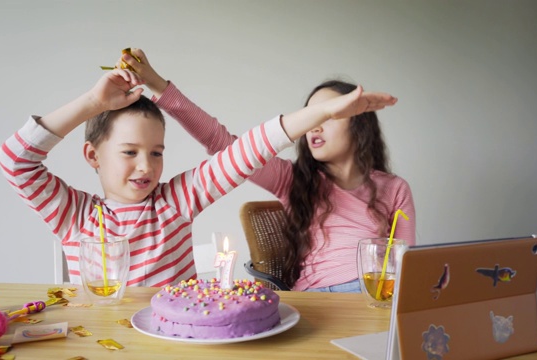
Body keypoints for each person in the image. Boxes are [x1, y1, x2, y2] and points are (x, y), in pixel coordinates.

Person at [0, 64, 397, 288]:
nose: (146, 166)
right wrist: (92, 103)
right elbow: (15, 160)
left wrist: (323, 113)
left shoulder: (176, 201)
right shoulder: (74, 216)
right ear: (92, 156)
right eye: (129, 153)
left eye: (157, 153)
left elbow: (247, 150)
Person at [119, 48, 415, 292]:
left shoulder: (394, 188)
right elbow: (219, 140)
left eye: (332, 113)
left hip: (377, 296)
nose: (315, 125)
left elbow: (407, 267)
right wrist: (157, 84)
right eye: (312, 115)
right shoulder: (292, 178)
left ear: (359, 121)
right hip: (320, 298)